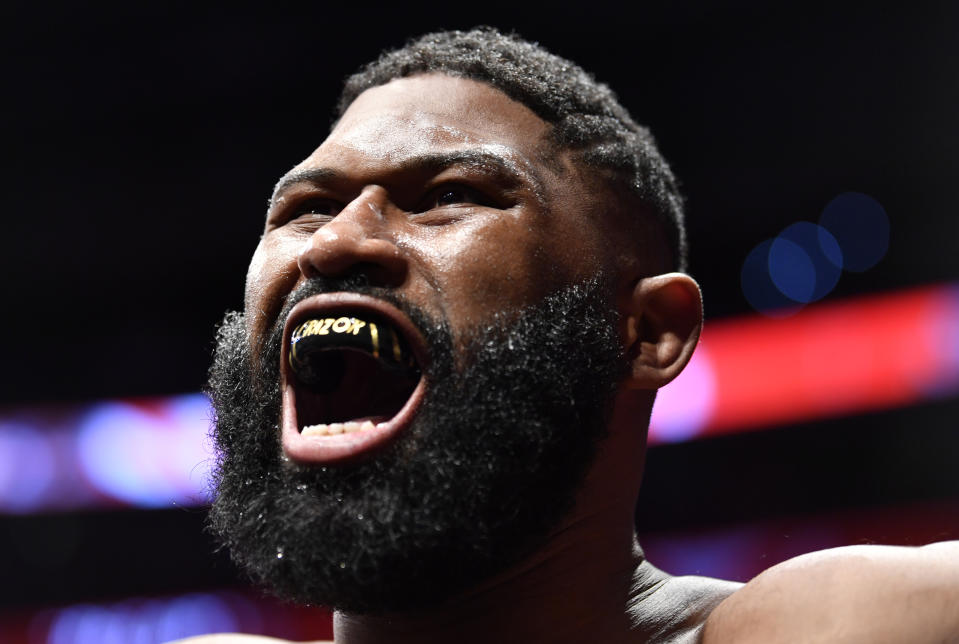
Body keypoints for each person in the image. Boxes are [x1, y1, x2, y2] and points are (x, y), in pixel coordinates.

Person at [180, 28, 959, 644]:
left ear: (649, 332)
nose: (333, 243)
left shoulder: (859, 624)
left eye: (448, 195)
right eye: (303, 208)